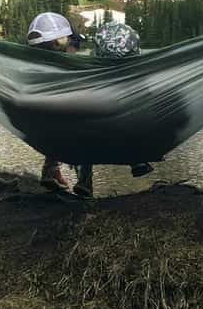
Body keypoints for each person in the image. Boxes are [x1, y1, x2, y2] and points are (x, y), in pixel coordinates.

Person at [70, 20, 152, 198]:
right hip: (121, 128)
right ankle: (137, 160)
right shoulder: (135, 74)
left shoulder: (90, 71)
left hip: (94, 129)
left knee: (81, 127)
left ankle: (84, 180)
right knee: (132, 118)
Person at [25, 12, 85, 193]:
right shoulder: (56, 64)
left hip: (49, 115)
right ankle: (84, 181)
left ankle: (52, 172)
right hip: (63, 113)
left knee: (61, 126)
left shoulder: (38, 64)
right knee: (84, 125)